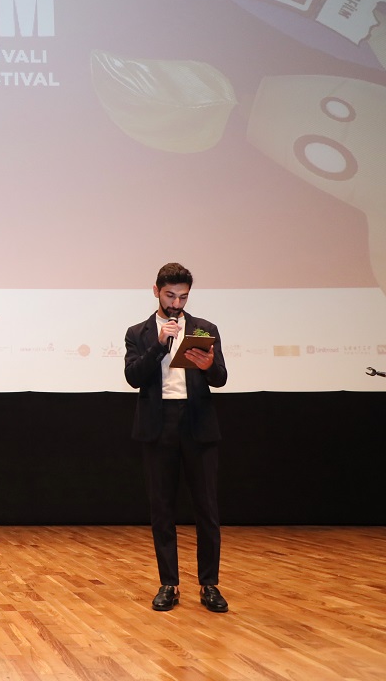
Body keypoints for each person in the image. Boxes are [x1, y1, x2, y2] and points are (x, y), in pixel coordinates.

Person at [123, 262, 229, 613]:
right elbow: (133, 377)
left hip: (198, 424)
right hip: (158, 424)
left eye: (183, 297)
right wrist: (158, 345)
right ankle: (169, 583)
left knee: (207, 509)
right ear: (156, 291)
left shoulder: (204, 329)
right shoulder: (138, 332)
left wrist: (208, 366)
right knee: (162, 509)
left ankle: (209, 584)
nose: (176, 303)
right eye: (170, 295)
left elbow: (220, 378)